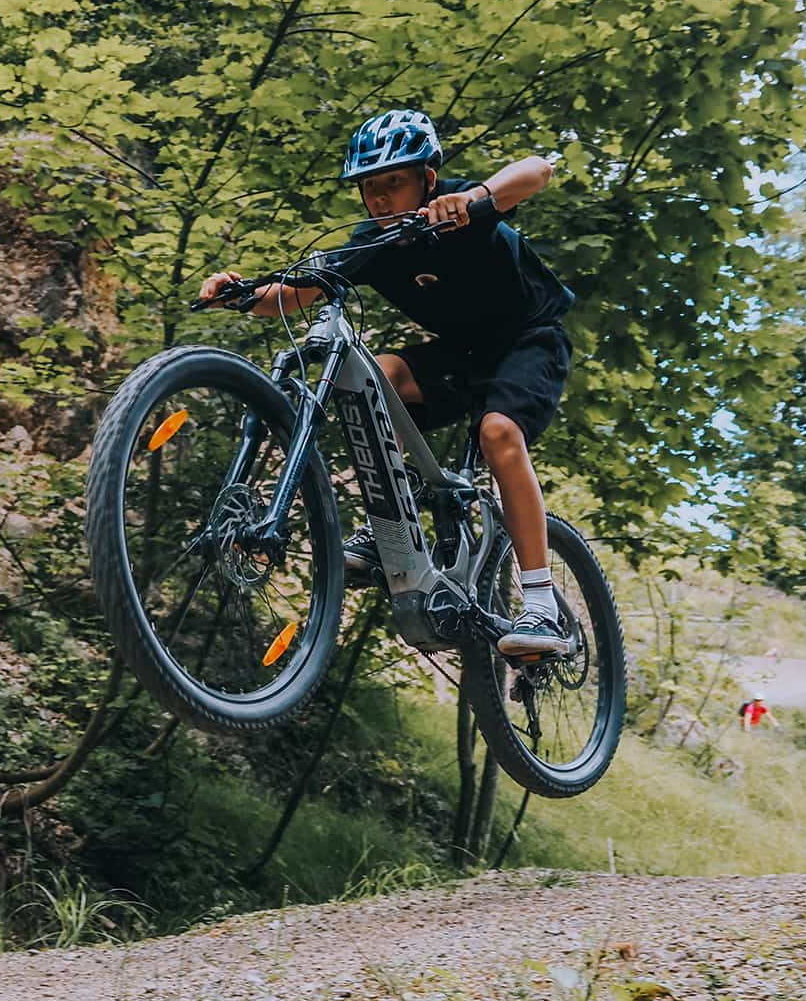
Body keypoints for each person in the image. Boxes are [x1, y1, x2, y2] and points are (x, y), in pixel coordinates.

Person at [196, 108, 576, 656]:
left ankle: (540, 605)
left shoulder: (460, 208)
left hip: (530, 340)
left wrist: (474, 198)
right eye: (369, 187)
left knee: (497, 432)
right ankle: (390, 530)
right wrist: (236, 292)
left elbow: (538, 169)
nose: (379, 199)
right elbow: (292, 295)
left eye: (393, 182)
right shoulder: (373, 243)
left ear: (427, 177)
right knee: (382, 374)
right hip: (459, 356)